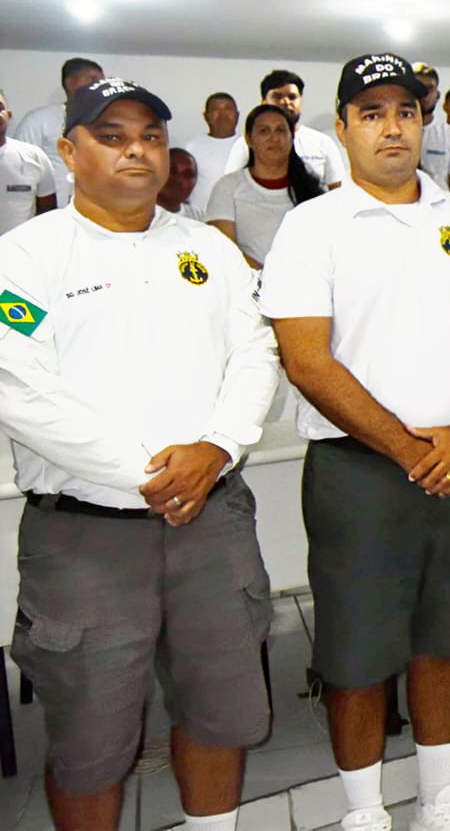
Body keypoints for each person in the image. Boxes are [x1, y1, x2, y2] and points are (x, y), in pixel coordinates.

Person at [0, 76, 278, 831]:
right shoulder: (22, 259)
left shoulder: (207, 250)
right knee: (92, 744)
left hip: (211, 525)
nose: (137, 152)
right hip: (85, 538)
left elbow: (255, 353)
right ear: (68, 150)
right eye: (113, 136)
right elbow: (22, 393)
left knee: (221, 713)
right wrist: (151, 473)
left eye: (151, 136)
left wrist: (217, 447)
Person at [260, 53, 450, 831]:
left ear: (424, 123)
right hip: (360, 469)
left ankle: (441, 794)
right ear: (341, 128)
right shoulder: (312, 227)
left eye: (405, 112)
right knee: (357, 649)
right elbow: (307, 361)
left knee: (443, 638)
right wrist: (411, 450)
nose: (391, 127)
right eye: (371, 112)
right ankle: (364, 809)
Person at [207, 103, 325, 269]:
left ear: (292, 137)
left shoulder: (312, 190)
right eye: (264, 131)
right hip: (248, 287)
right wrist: (267, 279)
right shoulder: (228, 187)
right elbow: (222, 249)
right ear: (249, 139)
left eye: (281, 130)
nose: (274, 138)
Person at [222, 71, 347, 190]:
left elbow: (338, 191)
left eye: (292, 97)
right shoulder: (247, 143)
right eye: (277, 96)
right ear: (263, 103)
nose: (286, 102)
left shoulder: (322, 142)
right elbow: (229, 188)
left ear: (301, 103)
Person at [11, 56, 103, 200]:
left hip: (96, 211)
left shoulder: (106, 123)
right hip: (49, 211)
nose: (99, 86)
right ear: (71, 83)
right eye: (93, 80)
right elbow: (18, 169)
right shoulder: (39, 120)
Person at [0, 87, 57, 233]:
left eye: (0, 108)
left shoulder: (34, 156)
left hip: (19, 252)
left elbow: (48, 214)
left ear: (9, 115)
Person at [414, 64, 450, 197]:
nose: (424, 94)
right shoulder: (393, 133)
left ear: (437, 95)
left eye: (429, 88)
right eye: (418, 88)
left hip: (441, 212)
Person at [184, 92, 240, 213]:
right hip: (199, 220)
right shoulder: (191, 146)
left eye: (228, 109)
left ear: (237, 115)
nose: (222, 115)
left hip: (240, 221)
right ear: (206, 116)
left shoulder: (249, 146)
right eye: (216, 109)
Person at [157, 148, 206, 220]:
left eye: (187, 174)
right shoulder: (137, 214)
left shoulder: (200, 220)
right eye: (172, 170)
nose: (178, 179)